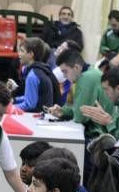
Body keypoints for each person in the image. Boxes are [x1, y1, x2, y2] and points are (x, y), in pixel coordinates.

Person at [48, 48, 115, 180]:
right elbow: (77, 110)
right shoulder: (88, 73)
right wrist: (63, 112)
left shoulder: (86, 78)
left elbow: (79, 117)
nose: (65, 76)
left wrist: (70, 111)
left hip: (100, 136)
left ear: (77, 67)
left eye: (65, 71)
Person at [12, 37, 60, 113]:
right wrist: (14, 100)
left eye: (22, 51)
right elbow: (30, 97)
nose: (19, 54)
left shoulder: (33, 75)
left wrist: (8, 108)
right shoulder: (42, 69)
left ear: (31, 54)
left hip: (37, 119)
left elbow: (29, 104)